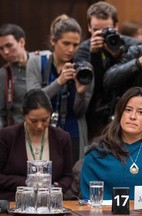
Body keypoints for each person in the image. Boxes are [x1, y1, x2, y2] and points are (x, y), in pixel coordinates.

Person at [26, 14, 93, 164]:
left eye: (75, 45)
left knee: (72, 179)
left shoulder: (84, 69)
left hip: (73, 133)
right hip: (41, 131)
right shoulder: (36, 63)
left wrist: (81, 92)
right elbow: (31, 100)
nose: (71, 50)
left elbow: (80, 112)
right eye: (66, 43)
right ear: (53, 41)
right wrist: (59, 81)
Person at [75, 1, 142, 141]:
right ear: (89, 27)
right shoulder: (84, 49)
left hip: (128, 111)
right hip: (96, 116)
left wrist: (119, 55)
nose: (101, 35)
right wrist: (94, 55)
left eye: (106, 30)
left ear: (116, 27)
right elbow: (98, 85)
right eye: (96, 30)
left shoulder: (133, 45)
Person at [0, 89, 73, 201]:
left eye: (44, 120)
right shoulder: (7, 137)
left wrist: (55, 189)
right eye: (34, 121)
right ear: (24, 116)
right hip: (15, 202)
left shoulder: (62, 138)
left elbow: (68, 176)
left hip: (50, 204)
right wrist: (26, 182)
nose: (39, 126)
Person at [0, 24, 50, 129]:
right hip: (19, 132)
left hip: (48, 128)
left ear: (22, 42)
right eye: (1, 48)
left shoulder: (44, 60)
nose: (5, 52)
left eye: (9, 46)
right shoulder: (4, 74)